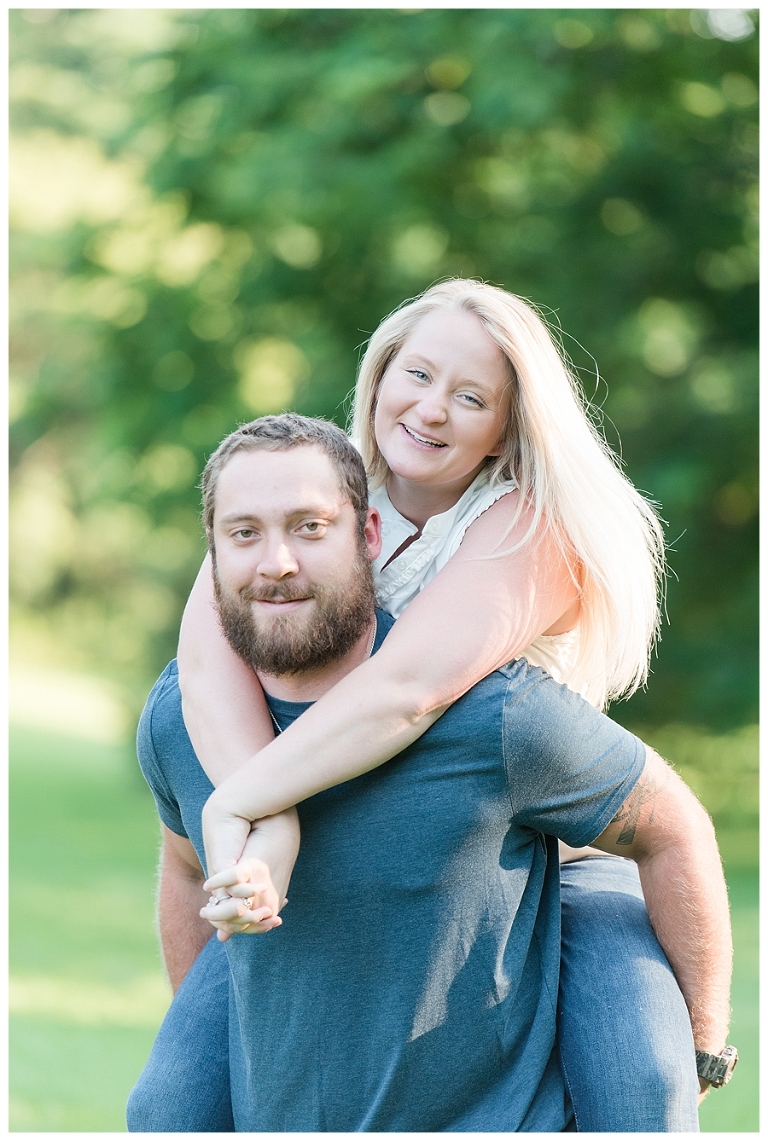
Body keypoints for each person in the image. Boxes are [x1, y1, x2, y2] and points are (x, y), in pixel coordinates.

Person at [127, 415, 732, 1132]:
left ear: (370, 538)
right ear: (214, 554)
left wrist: (702, 1046)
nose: (277, 562)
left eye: (311, 528)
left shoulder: (492, 714)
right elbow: (187, 863)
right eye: (245, 533)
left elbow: (672, 826)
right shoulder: (179, 721)